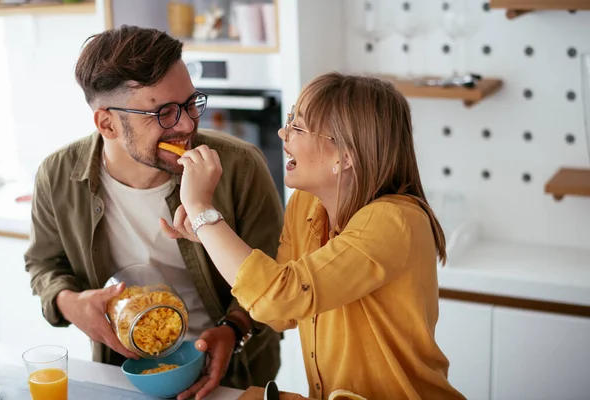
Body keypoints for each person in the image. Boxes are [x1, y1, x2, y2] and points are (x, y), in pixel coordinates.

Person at [163, 72, 467, 400]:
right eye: (290, 119)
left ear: (345, 156)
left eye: (299, 126)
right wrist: (208, 234)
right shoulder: (305, 205)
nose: (283, 132)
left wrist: (201, 210)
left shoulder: (394, 221)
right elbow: (281, 315)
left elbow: (278, 296)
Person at [24, 25, 283, 400]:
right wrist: (70, 303)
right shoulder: (57, 174)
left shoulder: (239, 166)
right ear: (107, 123)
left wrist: (233, 329)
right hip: (125, 375)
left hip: (234, 375)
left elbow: (276, 273)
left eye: (191, 103)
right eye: (163, 113)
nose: (187, 124)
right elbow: (44, 264)